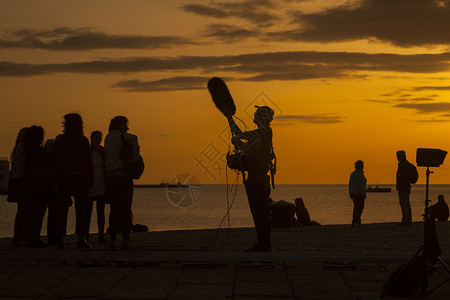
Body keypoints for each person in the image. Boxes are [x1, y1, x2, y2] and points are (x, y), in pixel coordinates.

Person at [227, 105, 274, 252]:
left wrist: (236, 142)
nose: (254, 116)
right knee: (261, 212)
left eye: (257, 114)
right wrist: (229, 119)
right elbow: (240, 134)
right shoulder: (261, 132)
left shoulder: (262, 135)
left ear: (261, 118)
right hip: (259, 179)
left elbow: (247, 149)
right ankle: (264, 244)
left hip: (257, 181)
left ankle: (263, 244)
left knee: (259, 212)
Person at [51, 113, 94, 248]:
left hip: (65, 178)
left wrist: (55, 179)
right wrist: (91, 178)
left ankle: (60, 239)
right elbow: (89, 162)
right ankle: (81, 239)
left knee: (62, 210)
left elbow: (54, 160)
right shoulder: (83, 140)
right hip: (81, 177)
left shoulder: (61, 139)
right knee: (81, 210)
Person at [105, 116, 140, 250]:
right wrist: (135, 156)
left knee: (113, 210)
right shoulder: (122, 136)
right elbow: (134, 138)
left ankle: (112, 241)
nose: (127, 128)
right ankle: (126, 241)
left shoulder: (107, 138)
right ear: (120, 126)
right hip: (123, 176)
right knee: (125, 209)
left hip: (110, 177)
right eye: (125, 125)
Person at [22, 125, 52, 247]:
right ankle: (35, 237)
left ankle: (30, 237)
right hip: (40, 185)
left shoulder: (25, 150)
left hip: (28, 184)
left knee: (30, 212)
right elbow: (48, 166)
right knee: (39, 212)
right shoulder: (40, 151)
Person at [86, 131, 108, 243]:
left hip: (101, 184)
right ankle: (86, 235)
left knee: (101, 212)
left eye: (100, 137)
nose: (98, 139)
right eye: (96, 137)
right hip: (90, 184)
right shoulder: (87, 151)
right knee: (87, 212)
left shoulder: (102, 151)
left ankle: (101, 235)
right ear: (91, 138)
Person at [8, 127, 29, 247]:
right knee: (22, 210)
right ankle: (19, 236)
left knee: (21, 210)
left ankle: (19, 236)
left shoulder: (17, 148)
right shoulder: (22, 148)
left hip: (17, 180)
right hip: (20, 180)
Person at [396, 150, 416, 225]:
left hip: (403, 187)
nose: (397, 158)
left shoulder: (404, 165)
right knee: (406, 203)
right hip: (405, 187)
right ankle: (407, 220)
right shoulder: (405, 165)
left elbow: (402, 177)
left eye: (398, 156)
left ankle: (406, 220)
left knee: (404, 204)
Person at [349, 160, 367, 226]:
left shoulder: (353, 174)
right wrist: (363, 194)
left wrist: (350, 192)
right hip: (359, 193)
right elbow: (362, 185)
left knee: (356, 207)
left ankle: (355, 220)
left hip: (354, 193)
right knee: (360, 207)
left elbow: (350, 184)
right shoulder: (360, 174)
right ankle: (356, 220)